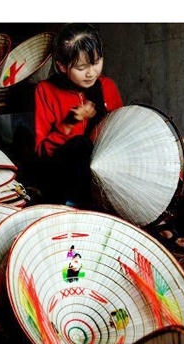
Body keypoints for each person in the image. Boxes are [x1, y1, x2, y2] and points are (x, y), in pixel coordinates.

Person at [32, 23, 124, 208]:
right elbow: (42, 151)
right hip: (64, 179)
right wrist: (69, 123)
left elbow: (121, 135)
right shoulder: (46, 91)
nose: (91, 73)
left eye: (96, 62)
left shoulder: (107, 86)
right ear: (62, 66)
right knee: (79, 146)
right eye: (81, 68)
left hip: (106, 176)